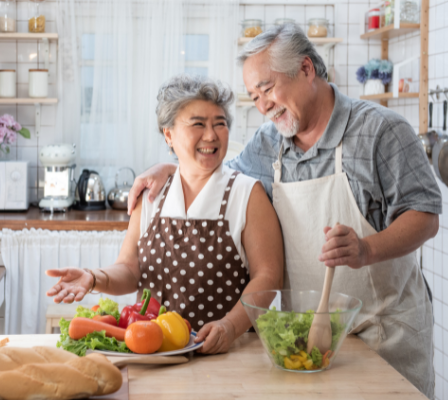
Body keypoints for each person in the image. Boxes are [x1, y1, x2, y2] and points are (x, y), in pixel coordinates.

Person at [127, 25, 441, 398]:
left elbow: (425, 214)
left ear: (306, 69)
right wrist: (171, 168)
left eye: (267, 89)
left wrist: (366, 250)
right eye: (254, 97)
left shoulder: (381, 130)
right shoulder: (268, 142)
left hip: (384, 333)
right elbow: (216, 173)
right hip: (306, 342)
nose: (263, 106)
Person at [46, 75, 284, 355]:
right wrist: (93, 276)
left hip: (227, 353)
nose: (211, 135)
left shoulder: (246, 193)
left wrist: (229, 327)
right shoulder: (151, 195)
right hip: (154, 352)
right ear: (168, 134)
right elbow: (130, 269)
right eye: (198, 124)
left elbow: (269, 277)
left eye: (220, 123)